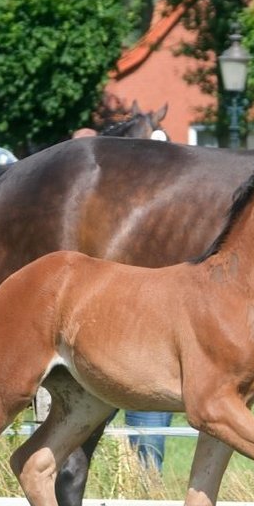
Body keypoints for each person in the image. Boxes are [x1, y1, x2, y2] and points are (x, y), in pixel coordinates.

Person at [66, 128, 171, 468]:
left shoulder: (155, 217)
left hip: (148, 342)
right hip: (106, 339)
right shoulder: (96, 214)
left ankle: (146, 484)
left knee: (149, 445)